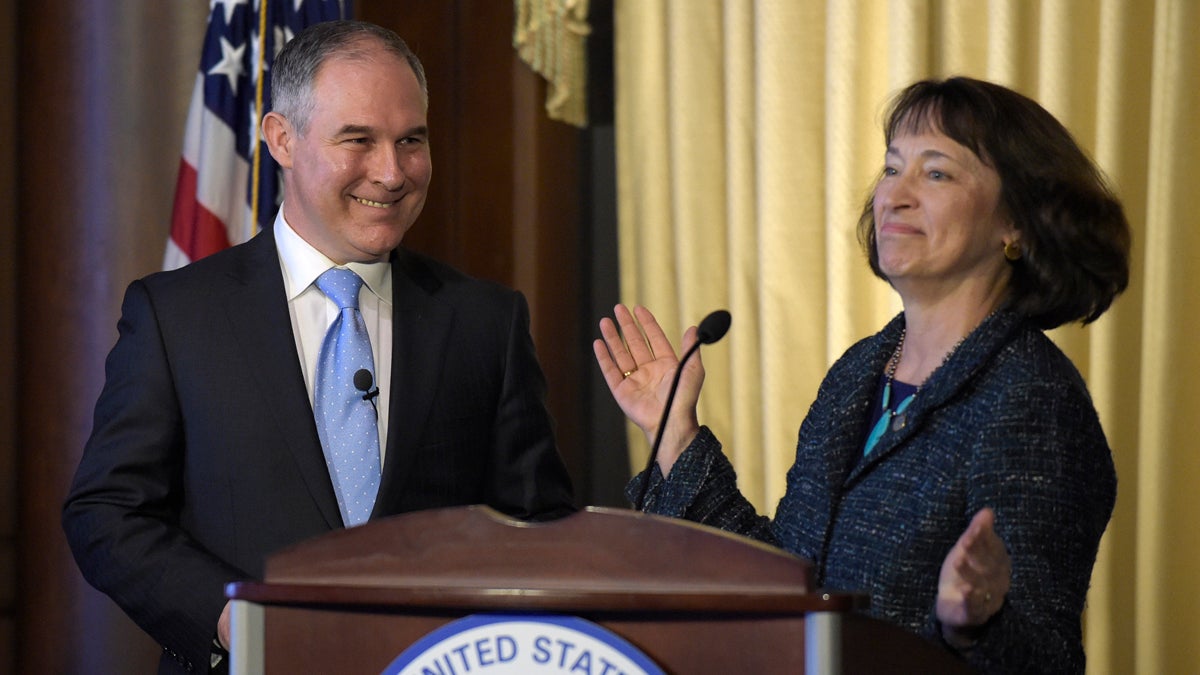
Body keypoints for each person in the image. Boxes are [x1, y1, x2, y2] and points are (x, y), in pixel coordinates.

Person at [62, 20, 574, 675]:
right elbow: (107, 512)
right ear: (282, 138)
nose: (391, 172)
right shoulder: (177, 315)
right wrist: (231, 617)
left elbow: (538, 530)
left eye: (411, 140)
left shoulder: (483, 321)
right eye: (358, 139)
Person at [594, 76, 1129, 673]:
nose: (894, 196)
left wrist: (977, 624)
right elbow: (787, 582)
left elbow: (1047, 659)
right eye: (891, 168)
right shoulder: (860, 373)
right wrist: (674, 434)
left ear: (1017, 226)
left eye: (936, 173)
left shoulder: (1033, 402)